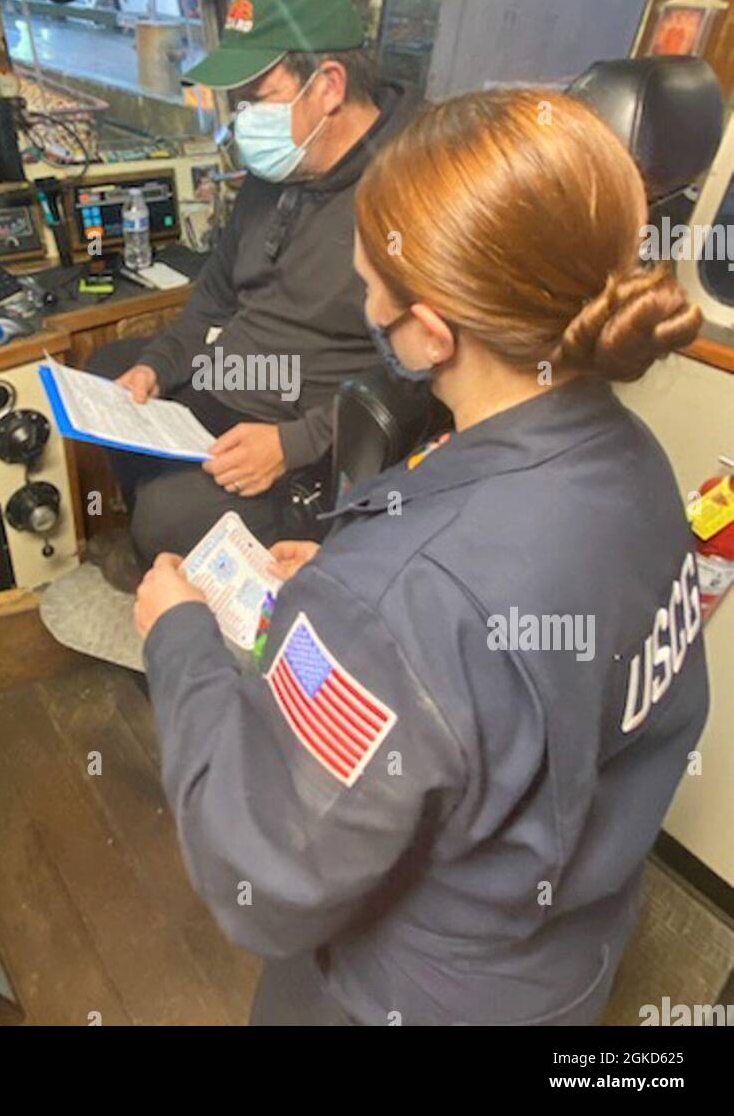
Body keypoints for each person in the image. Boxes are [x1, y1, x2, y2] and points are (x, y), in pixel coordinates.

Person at [133, 87, 710, 1027]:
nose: (363, 302)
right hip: (565, 962)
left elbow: (264, 870)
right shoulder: (633, 461)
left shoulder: (396, 602)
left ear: (432, 331)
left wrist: (182, 641)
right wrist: (328, 588)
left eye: (369, 285)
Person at [86, 0, 415, 590]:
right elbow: (211, 300)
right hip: (237, 379)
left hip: (317, 435)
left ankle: (211, 545)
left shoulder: (414, 186)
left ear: (328, 86)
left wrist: (293, 444)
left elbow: (422, 371)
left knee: (163, 520)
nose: (241, 122)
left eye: (255, 99)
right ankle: (186, 520)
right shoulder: (277, 171)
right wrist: (158, 364)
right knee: (111, 374)